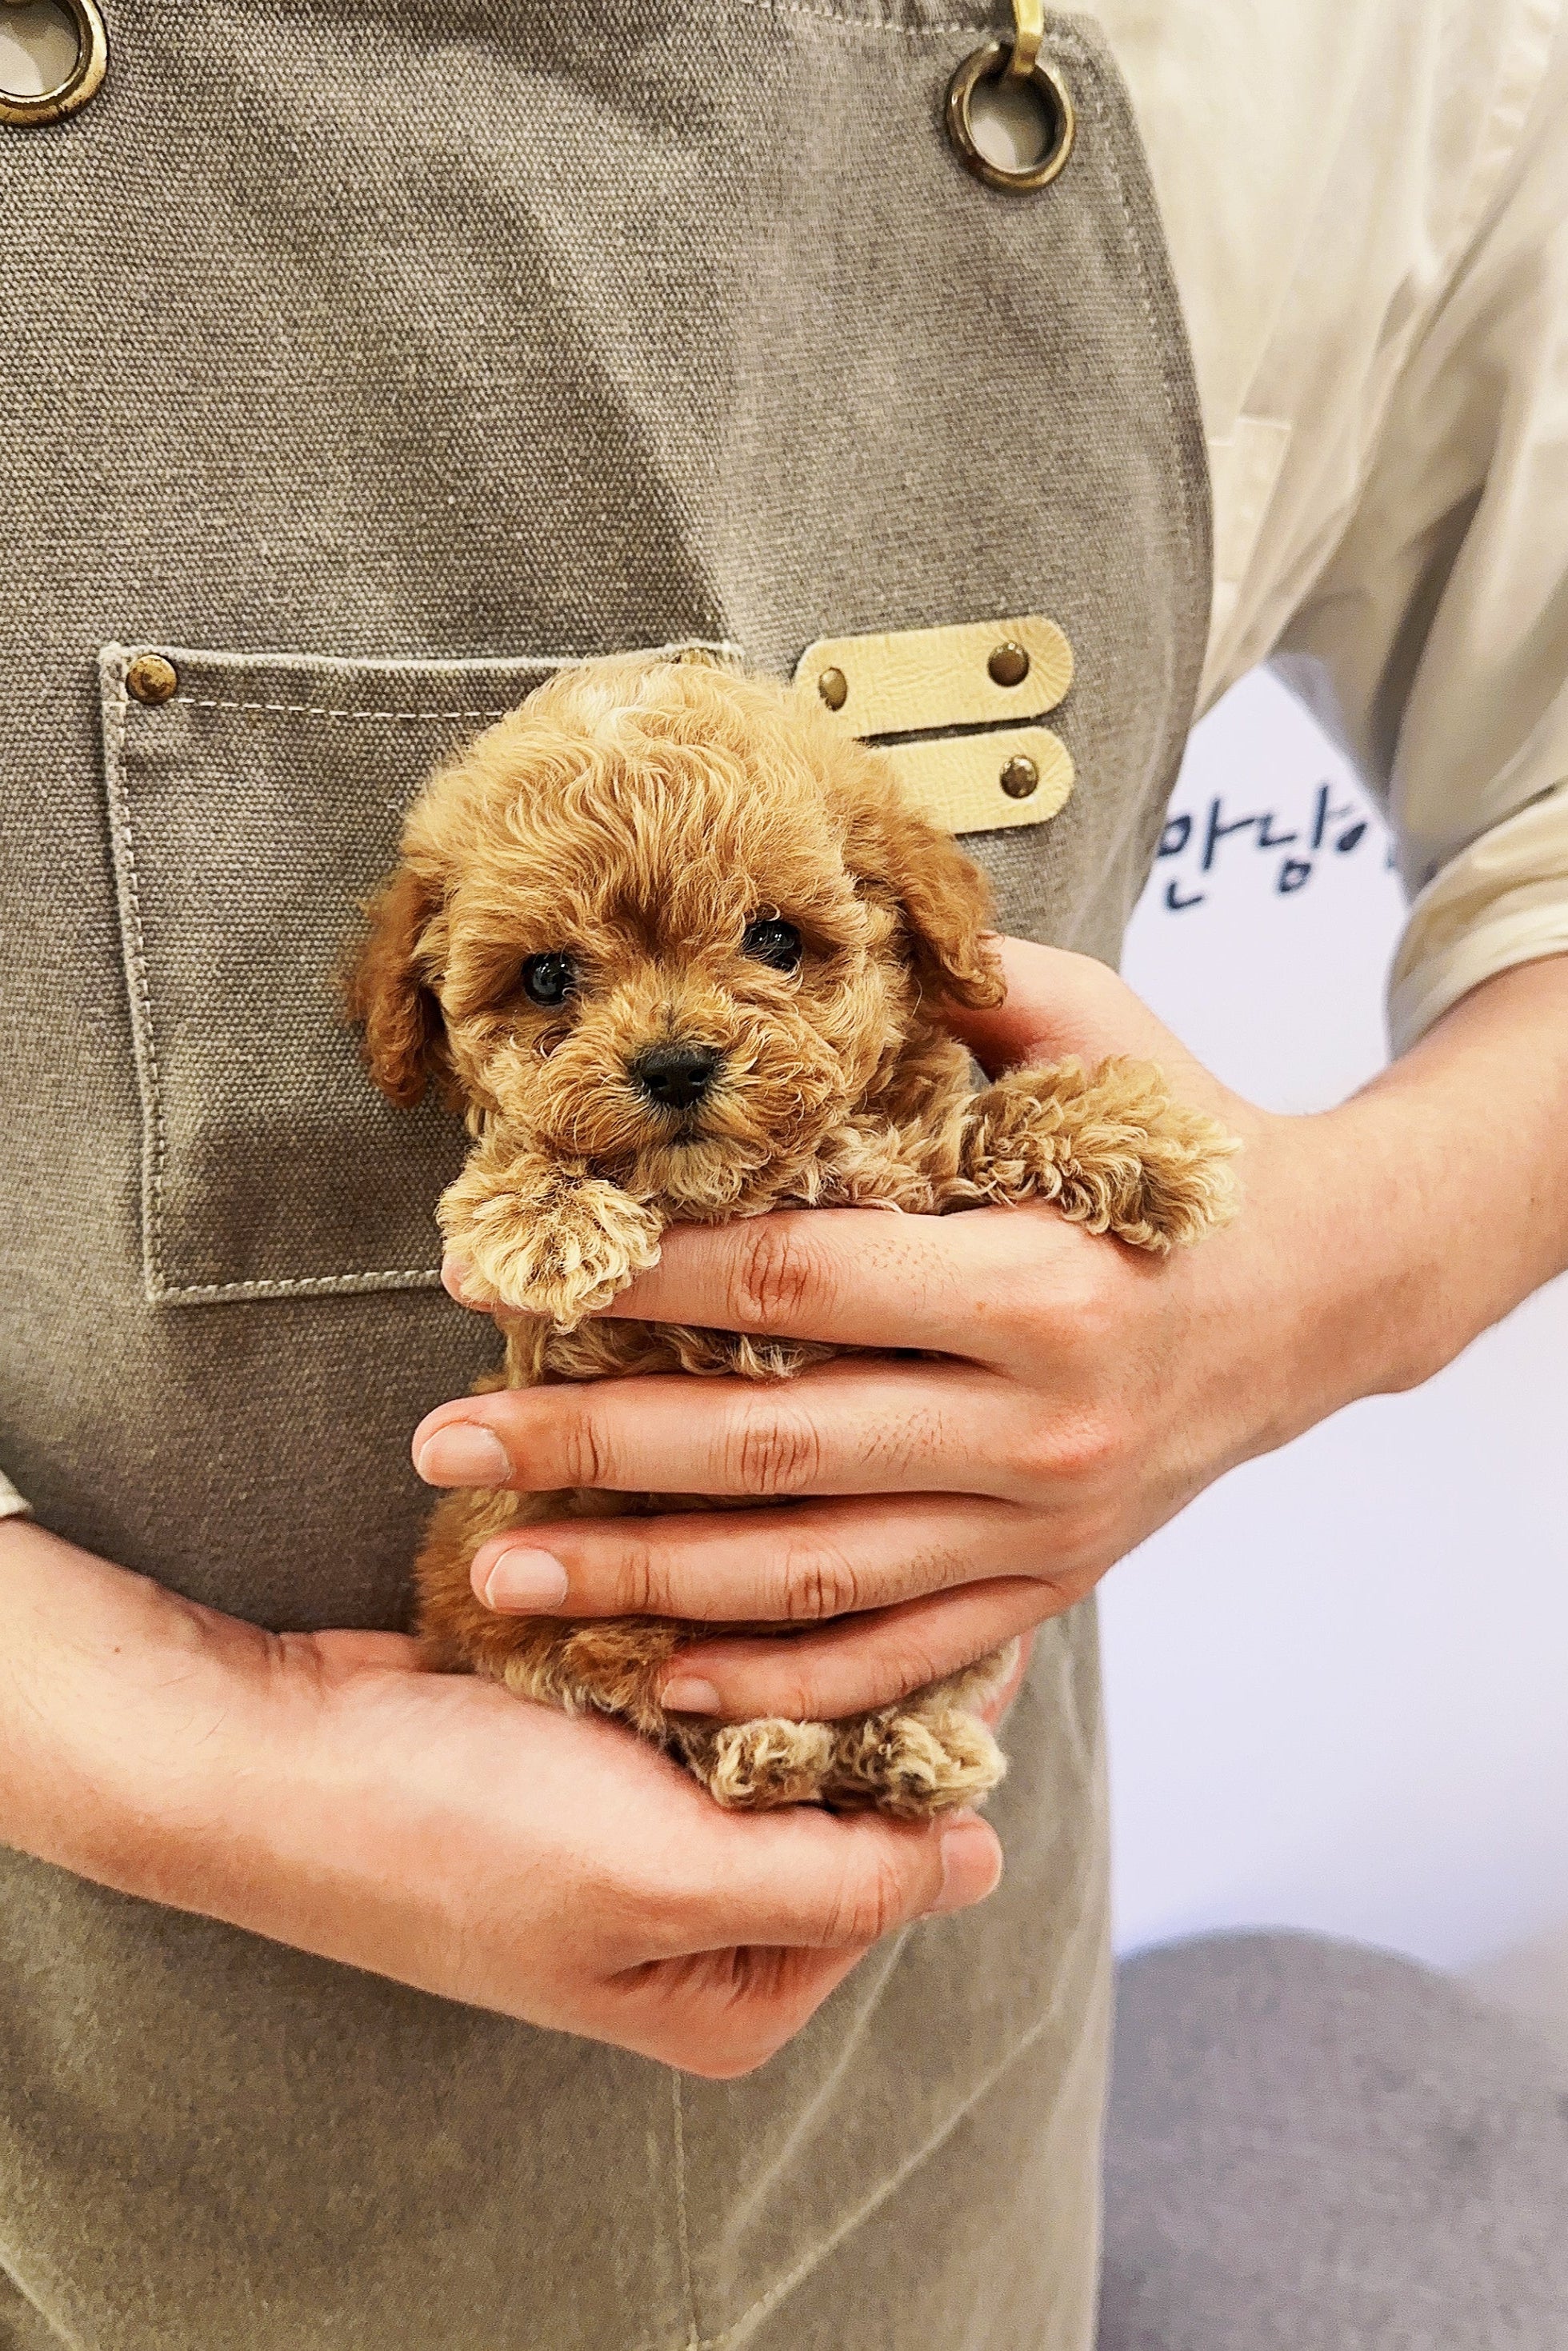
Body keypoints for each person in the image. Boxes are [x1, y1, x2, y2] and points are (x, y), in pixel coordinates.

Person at [2, 2, 1566, 2345]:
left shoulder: (1336, 45)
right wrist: (186, 1743)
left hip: (921, 2003)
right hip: (86, 2047)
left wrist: (1310, 1286)